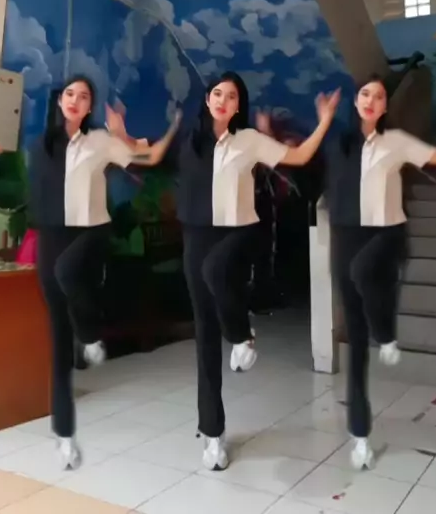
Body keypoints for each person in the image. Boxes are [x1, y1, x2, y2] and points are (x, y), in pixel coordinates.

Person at [176, 71, 340, 471]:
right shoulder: (191, 143)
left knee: (216, 271)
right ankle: (213, 435)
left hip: (237, 236)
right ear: (207, 99)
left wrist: (324, 121)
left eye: (231, 96)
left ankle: (241, 335)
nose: (222, 100)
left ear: (238, 106)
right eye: (217, 93)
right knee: (205, 340)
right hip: (196, 238)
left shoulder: (248, 140)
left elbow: (298, 157)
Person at [29, 75, 179, 470]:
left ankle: (92, 332)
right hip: (52, 237)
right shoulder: (42, 145)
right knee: (59, 344)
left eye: (84, 96)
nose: (75, 100)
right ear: (60, 101)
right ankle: (65, 437)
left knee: (67, 273)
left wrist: (125, 134)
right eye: (70, 94)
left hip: (89, 234)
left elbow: (149, 158)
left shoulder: (100, 141)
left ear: (90, 107)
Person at [325, 74, 436, 470]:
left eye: (378, 96)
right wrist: (322, 122)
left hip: (387, 236)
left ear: (384, 107)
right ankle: (360, 437)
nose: (371, 100)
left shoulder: (396, 142)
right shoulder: (340, 144)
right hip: (347, 239)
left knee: (364, 273)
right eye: (365, 94)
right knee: (356, 349)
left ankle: (386, 333)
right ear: (356, 101)